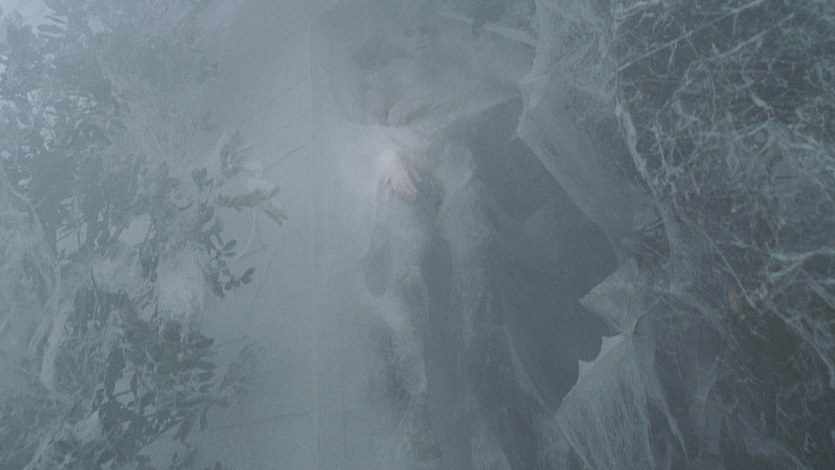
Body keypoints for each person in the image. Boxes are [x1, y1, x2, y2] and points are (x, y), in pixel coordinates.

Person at [359, 9, 517, 464]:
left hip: (456, 175)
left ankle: (487, 427)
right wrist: (389, 158)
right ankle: (417, 424)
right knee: (407, 297)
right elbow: (366, 134)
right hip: (407, 182)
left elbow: (490, 97)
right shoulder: (383, 78)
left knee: (477, 288)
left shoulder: (456, 67)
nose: (419, 38)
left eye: (424, 28)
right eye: (407, 30)